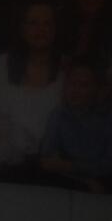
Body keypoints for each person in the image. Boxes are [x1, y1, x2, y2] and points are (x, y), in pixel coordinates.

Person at [0, 2, 68, 160]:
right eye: (33, 23)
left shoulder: (69, 71)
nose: (41, 30)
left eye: (47, 23)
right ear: (22, 28)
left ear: (55, 29)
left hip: (51, 167)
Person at [44, 62, 112, 192]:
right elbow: (48, 161)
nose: (75, 90)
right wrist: (85, 180)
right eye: (72, 84)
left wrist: (69, 166)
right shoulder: (58, 115)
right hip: (66, 182)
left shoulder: (108, 119)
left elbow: (108, 165)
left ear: (97, 89)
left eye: (84, 85)